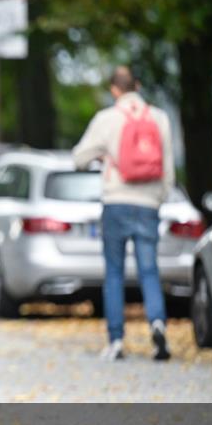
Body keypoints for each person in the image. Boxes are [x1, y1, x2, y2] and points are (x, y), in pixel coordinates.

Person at [73, 66, 174, 361]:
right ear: (138, 86)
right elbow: (167, 168)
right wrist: (158, 197)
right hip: (148, 205)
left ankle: (116, 341)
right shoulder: (160, 118)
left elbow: (78, 157)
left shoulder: (107, 119)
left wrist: (102, 156)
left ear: (114, 90)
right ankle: (157, 324)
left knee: (115, 273)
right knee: (149, 271)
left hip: (116, 201)